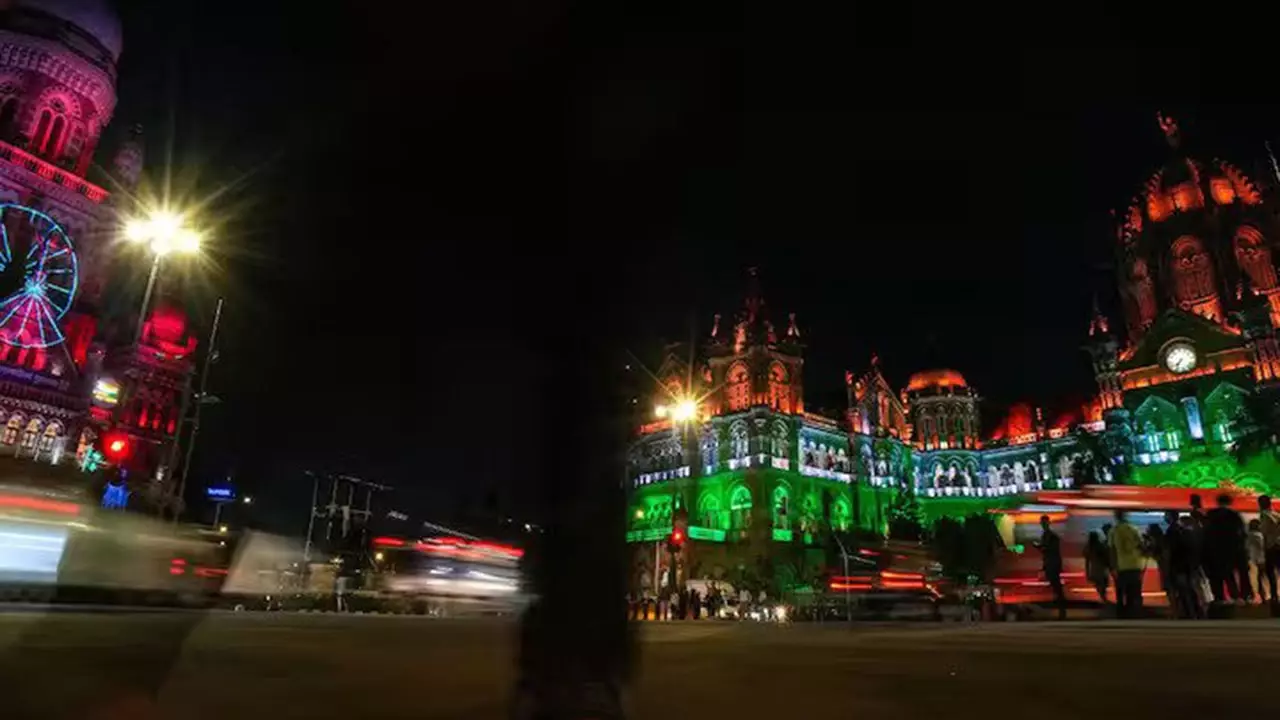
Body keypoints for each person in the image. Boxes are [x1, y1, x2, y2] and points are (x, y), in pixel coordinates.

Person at [1204, 493, 1250, 604]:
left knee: (1218, 575)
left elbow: (1206, 532)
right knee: (1234, 575)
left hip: (1216, 550)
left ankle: (1219, 598)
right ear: (1230, 502)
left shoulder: (1211, 514)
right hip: (1234, 549)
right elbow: (1242, 534)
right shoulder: (1235, 515)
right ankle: (1240, 596)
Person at [1109, 509, 1144, 619]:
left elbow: (1112, 550)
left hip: (1121, 566)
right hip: (1135, 565)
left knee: (1120, 593)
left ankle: (1122, 615)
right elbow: (1141, 545)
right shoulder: (1134, 529)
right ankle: (1133, 614)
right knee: (1133, 592)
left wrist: (1113, 567)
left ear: (1116, 517)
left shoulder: (1113, 531)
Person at [1033, 514, 1065, 620]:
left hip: (1052, 564)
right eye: (1042, 523)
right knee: (1056, 586)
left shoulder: (1049, 535)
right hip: (1052, 563)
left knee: (1056, 586)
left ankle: (1061, 609)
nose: (1042, 525)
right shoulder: (1049, 535)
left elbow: (1046, 549)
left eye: (1043, 523)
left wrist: (1037, 546)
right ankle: (1060, 608)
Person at [1258, 495, 1280, 606]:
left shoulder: (1264, 515)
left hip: (1270, 547)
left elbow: (1264, 532)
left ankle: (1274, 597)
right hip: (1278, 545)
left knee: (1270, 574)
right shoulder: (1276, 514)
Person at [1084, 531, 1111, 604]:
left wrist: (1087, 573)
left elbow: (1087, 562)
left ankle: (1103, 599)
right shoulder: (1100, 546)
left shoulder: (1088, 547)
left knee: (1099, 585)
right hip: (1101, 569)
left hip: (1094, 569)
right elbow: (1106, 557)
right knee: (1103, 585)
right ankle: (1104, 599)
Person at [1247, 519, 1267, 605]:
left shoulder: (1248, 536)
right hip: (1261, 559)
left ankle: (1255, 595)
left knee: (1253, 579)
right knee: (1261, 578)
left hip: (1251, 559)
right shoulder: (1260, 535)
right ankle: (1263, 595)